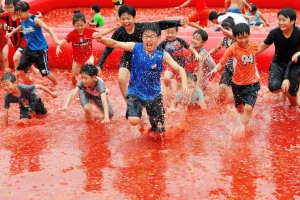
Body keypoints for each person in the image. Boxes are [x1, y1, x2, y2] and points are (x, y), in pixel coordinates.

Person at [95, 23, 188, 135]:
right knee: (134, 120)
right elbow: (115, 43)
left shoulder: (162, 54)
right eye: (146, 36)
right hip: (135, 93)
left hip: (154, 94)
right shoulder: (135, 47)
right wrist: (101, 39)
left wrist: (184, 83)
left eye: (152, 36)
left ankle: (153, 125)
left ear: (158, 38)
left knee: (159, 132)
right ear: (142, 37)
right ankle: (138, 117)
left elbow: (179, 68)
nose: (149, 39)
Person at [96, 4, 188, 101]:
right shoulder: (119, 32)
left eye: (128, 18)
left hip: (144, 56)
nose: (126, 21)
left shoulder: (142, 27)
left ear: (134, 17)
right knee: (121, 79)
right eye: (123, 19)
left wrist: (178, 22)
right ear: (119, 19)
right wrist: (100, 64)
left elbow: (159, 24)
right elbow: (110, 46)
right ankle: (128, 102)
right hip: (128, 57)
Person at [209, 23, 260, 127]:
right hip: (237, 84)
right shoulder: (232, 49)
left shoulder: (254, 45)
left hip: (253, 82)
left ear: (249, 35)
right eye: (240, 38)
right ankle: (244, 121)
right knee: (239, 109)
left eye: (246, 37)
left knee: (248, 108)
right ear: (235, 37)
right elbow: (222, 62)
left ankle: (242, 130)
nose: (243, 40)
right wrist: (215, 69)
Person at [6, 1, 61, 85]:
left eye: (20, 14)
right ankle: (27, 86)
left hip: (40, 49)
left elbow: (48, 29)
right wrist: (12, 33)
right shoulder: (22, 19)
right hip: (29, 48)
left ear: (27, 11)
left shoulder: (35, 20)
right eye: (17, 15)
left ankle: (56, 84)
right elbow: (21, 26)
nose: (19, 17)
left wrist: (56, 40)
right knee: (21, 68)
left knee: (44, 72)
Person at [56, 10, 116, 85]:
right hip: (77, 59)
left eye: (82, 25)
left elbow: (100, 33)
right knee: (74, 76)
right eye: (77, 26)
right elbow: (63, 41)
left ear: (85, 23)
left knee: (89, 73)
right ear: (73, 25)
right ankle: (74, 87)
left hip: (88, 57)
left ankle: (92, 87)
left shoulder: (89, 31)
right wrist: (58, 46)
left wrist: (112, 28)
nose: (80, 27)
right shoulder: (72, 34)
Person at [256, 8, 300, 106]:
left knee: (292, 95)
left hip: (295, 64)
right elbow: (262, 46)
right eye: (279, 20)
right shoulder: (275, 32)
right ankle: (285, 89)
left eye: (284, 20)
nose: (280, 23)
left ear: (293, 21)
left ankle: (292, 89)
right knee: (273, 87)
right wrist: (249, 55)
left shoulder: (299, 33)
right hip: (278, 63)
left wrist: (299, 53)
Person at [0, 0, 40, 76]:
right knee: (23, 58)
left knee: (16, 58)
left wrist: (38, 17)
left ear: (16, 7)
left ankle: (16, 76)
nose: (8, 10)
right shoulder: (6, 16)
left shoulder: (21, 16)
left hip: (24, 41)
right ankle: (32, 72)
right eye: (6, 7)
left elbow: (29, 16)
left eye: (10, 7)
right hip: (16, 43)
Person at [158, 26, 200, 91]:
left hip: (181, 66)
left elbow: (190, 48)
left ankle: (177, 95)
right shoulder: (164, 43)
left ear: (177, 32)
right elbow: (156, 52)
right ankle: (170, 91)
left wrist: (196, 54)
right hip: (170, 65)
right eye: (168, 32)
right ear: (164, 32)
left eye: (172, 33)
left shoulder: (180, 41)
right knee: (166, 78)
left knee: (180, 86)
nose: (170, 35)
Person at [207, 18, 236, 101]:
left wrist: (223, 29)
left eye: (227, 29)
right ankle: (222, 105)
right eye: (223, 30)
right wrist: (208, 53)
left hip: (238, 69)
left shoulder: (237, 38)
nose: (224, 32)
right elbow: (216, 49)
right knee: (222, 87)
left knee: (237, 91)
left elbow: (234, 35)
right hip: (229, 68)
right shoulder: (225, 40)